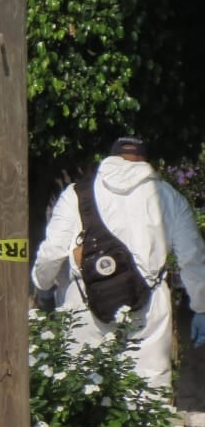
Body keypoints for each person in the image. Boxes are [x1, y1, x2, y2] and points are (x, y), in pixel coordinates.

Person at [32, 136, 205, 390]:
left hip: (85, 304)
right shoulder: (169, 198)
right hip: (148, 308)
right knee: (148, 393)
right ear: (144, 160)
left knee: (82, 391)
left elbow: (51, 253)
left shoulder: (76, 195)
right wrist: (201, 306)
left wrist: (43, 285)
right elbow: (192, 257)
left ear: (111, 158)